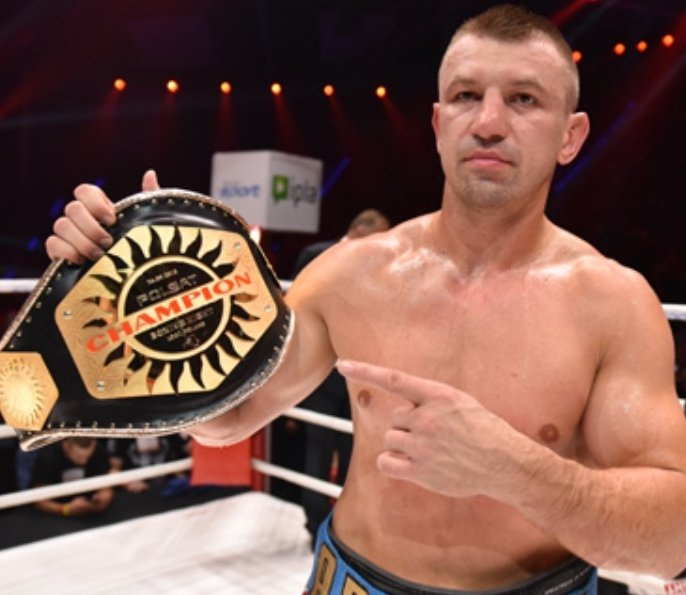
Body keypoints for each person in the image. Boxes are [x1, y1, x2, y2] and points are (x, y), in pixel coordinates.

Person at [45, 4, 686, 593]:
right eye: (466, 96)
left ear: (571, 136)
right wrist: (137, 310)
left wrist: (514, 470)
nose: (489, 123)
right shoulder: (352, 274)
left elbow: (670, 540)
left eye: (524, 99)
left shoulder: (613, 305)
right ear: (438, 124)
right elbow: (227, 420)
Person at [292, 208, 391, 548]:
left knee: (354, 452)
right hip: (319, 373)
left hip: (359, 374)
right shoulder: (316, 256)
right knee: (317, 450)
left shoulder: (380, 266)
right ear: (359, 231)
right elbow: (294, 312)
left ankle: (344, 529)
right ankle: (314, 526)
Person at [30, 437, 114, 517]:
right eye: (78, 456)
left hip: (88, 508)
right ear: (67, 446)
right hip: (53, 513)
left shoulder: (99, 451)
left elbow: (105, 488)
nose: (84, 461)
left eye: (88, 457)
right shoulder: (48, 457)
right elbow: (39, 500)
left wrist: (101, 501)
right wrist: (65, 509)